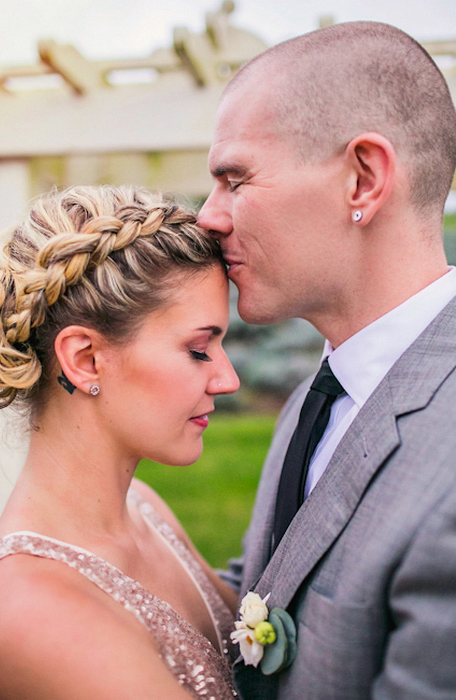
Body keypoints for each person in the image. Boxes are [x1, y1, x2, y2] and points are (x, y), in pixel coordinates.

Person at [198, 20, 456, 700]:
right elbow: (277, 583)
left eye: (234, 178)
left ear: (362, 180)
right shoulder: (332, 387)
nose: (208, 216)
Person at [0, 184, 241, 700]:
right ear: (84, 359)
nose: (228, 379)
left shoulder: (146, 509)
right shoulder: (29, 607)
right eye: (199, 349)